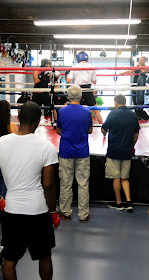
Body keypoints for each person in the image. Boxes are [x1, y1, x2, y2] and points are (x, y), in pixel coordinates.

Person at [0, 102, 60, 280]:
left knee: (10, 259)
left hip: (12, 210)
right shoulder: (46, 147)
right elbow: (48, 184)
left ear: (18, 117)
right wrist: (53, 212)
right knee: (45, 256)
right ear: (38, 121)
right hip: (38, 211)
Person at [56, 85, 93, 222]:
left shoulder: (62, 111)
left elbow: (59, 130)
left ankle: (65, 212)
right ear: (81, 97)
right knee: (83, 183)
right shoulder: (86, 112)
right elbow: (89, 130)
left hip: (66, 151)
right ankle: (83, 215)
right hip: (82, 151)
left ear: (68, 96)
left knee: (65, 183)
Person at [102, 94, 139, 212]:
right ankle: (128, 201)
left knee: (116, 177)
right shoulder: (133, 115)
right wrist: (132, 146)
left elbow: (103, 129)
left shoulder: (113, 114)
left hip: (114, 151)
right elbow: (136, 134)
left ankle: (118, 203)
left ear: (115, 103)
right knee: (125, 178)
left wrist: (104, 133)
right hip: (127, 150)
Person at [67, 51, 103, 124]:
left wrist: (76, 77)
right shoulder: (91, 67)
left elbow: (68, 80)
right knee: (96, 111)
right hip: (88, 89)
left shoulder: (75, 66)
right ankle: (103, 128)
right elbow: (95, 82)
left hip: (77, 91)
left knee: (75, 110)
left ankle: (73, 126)